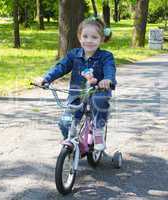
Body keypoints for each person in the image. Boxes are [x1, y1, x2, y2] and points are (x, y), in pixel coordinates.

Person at [40, 16, 116, 151]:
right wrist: (47, 78)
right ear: (79, 37)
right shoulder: (73, 55)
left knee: (99, 101)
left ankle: (98, 131)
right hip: (77, 95)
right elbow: (61, 67)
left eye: (94, 37)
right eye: (85, 36)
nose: (89, 40)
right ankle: (72, 142)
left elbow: (109, 69)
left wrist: (107, 80)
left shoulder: (106, 56)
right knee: (65, 122)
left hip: (97, 92)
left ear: (101, 39)